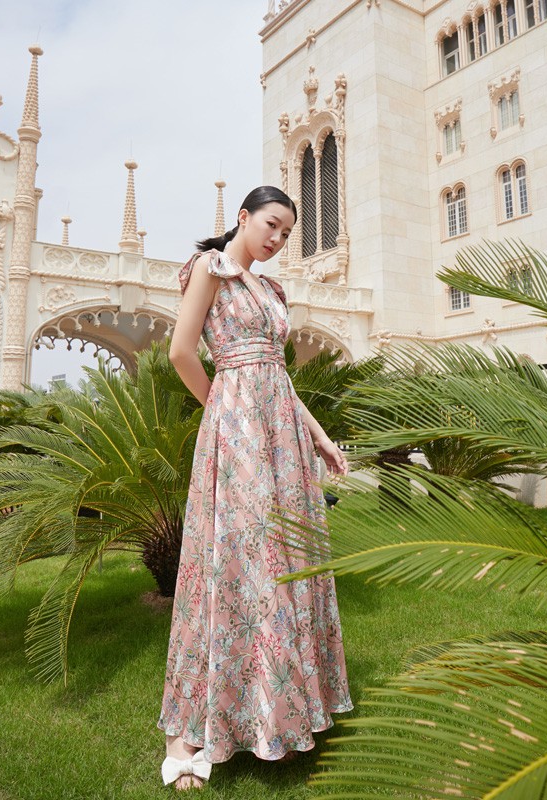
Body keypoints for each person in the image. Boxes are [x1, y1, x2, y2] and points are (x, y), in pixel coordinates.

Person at [157, 186, 353, 791]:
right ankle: (188, 731)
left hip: (282, 436)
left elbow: (280, 376)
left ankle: (278, 712)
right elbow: (181, 352)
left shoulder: (272, 291)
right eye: (271, 224)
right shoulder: (208, 271)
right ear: (243, 218)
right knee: (238, 561)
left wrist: (319, 436)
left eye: (287, 233)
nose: (277, 239)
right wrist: (221, 409)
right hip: (238, 431)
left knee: (285, 562)